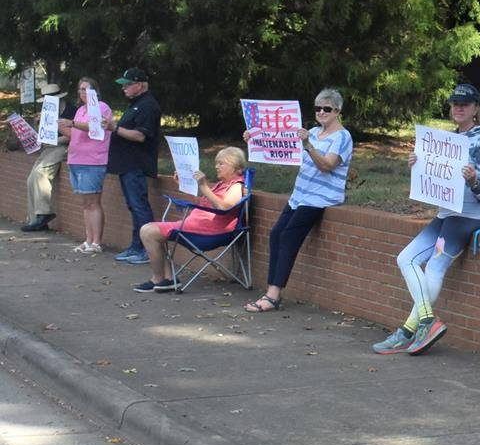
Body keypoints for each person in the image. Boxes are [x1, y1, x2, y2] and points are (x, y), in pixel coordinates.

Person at [372, 83, 480, 354]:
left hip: (468, 216)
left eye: (465, 104)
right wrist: (419, 167)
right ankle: (423, 322)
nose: (459, 108)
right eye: (455, 103)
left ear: (476, 108)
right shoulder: (448, 141)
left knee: (434, 267)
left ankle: (409, 330)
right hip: (446, 214)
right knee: (405, 258)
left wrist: (474, 181)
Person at [243, 88, 353, 312]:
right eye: (318, 108)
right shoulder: (311, 131)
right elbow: (278, 144)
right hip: (299, 195)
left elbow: (327, 166)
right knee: (276, 234)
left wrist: (308, 146)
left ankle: (273, 295)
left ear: (338, 111)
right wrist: (254, 137)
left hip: (320, 198)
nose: (321, 112)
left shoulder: (343, 137)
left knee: (288, 237)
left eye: (327, 108)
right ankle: (270, 291)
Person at [133, 147, 247, 293]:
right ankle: (168, 279)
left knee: (148, 231)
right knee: (150, 229)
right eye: (217, 163)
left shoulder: (236, 187)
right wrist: (183, 184)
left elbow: (224, 207)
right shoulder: (221, 185)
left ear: (236, 168)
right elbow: (203, 204)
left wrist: (204, 187)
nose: (216, 167)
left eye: (221, 163)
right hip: (197, 227)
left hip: (211, 233)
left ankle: (159, 279)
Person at [105, 68, 162, 263]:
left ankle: (148, 249)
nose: (124, 88)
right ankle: (136, 246)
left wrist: (115, 128)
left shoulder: (148, 106)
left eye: (127, 84)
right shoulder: (135, 104)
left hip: (136, 164)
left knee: (139, 206)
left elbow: (140, 135)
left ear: (140, 84)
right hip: (126, 164)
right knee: (133, 205)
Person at [58, 78, 112, 252]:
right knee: (85, 203)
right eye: (80, 90)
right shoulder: (81, 110)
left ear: (95, 91)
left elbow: (95, 127)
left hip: (92, 160)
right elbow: (73, 135)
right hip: (76, 159)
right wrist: (58, 124)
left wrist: (72, 123)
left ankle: (97, 242)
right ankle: (88, 239)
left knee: (93, 202)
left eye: (86, 90)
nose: (82, 93)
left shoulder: (102, 107)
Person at [21, 83, 76, 232]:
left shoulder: (71, 111)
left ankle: (44, 213)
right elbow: (44, 133)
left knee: (40, 174)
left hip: (64, 146)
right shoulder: (47, 110)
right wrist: (39, 125)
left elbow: (72, 135)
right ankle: (35, 219)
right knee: (31, 178)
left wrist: (54, 140)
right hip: (49, 147)